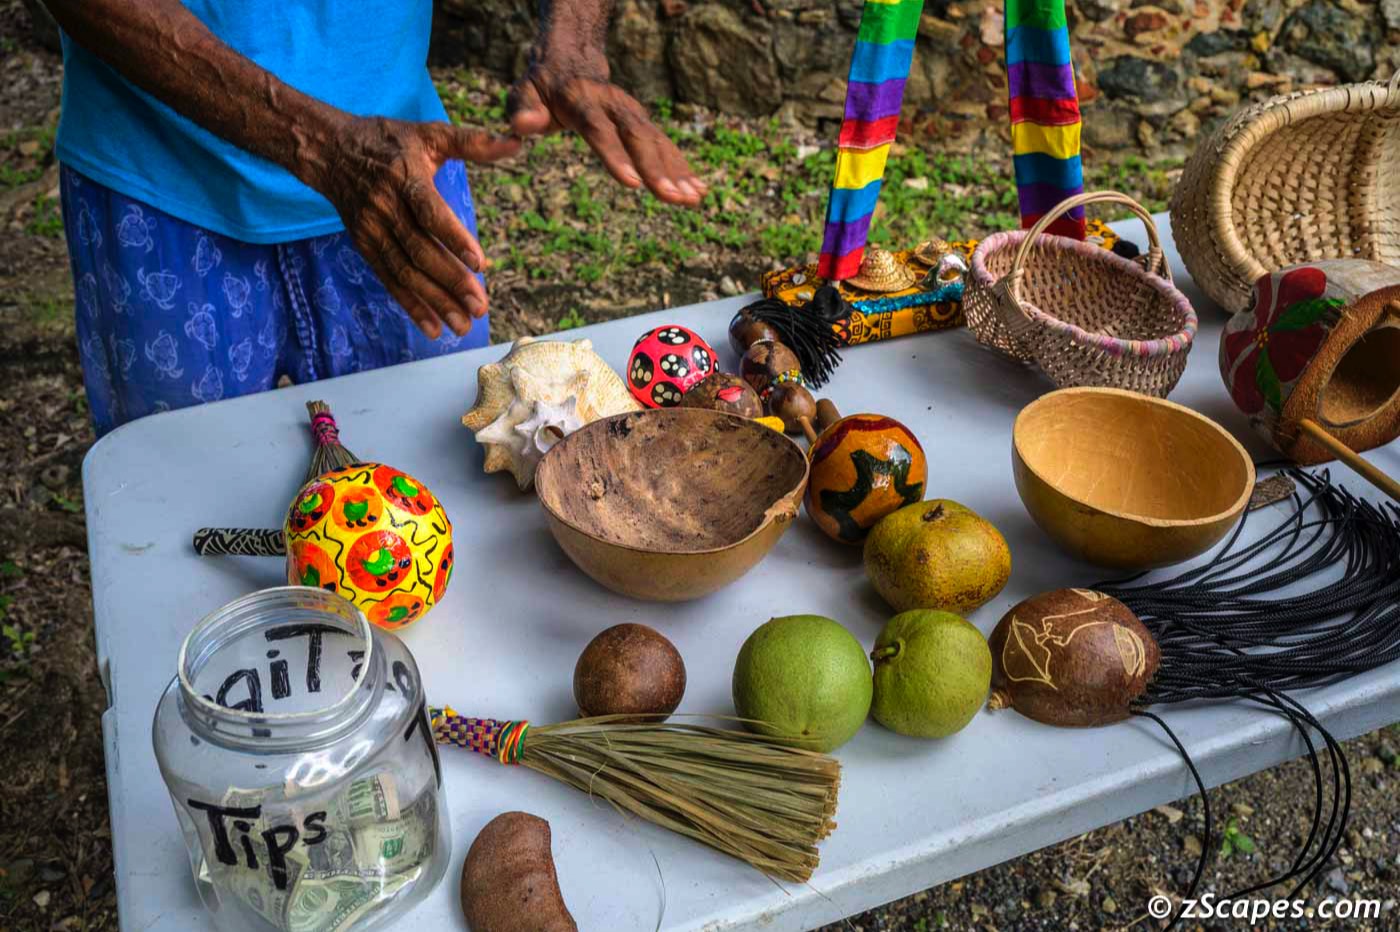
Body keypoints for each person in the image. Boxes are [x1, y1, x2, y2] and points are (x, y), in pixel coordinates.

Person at [41, 0, 705, 435]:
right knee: (185, 516)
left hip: (398, 171)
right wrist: (319, 146)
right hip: (158, 178)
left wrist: (574, 39)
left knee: (431, 488)